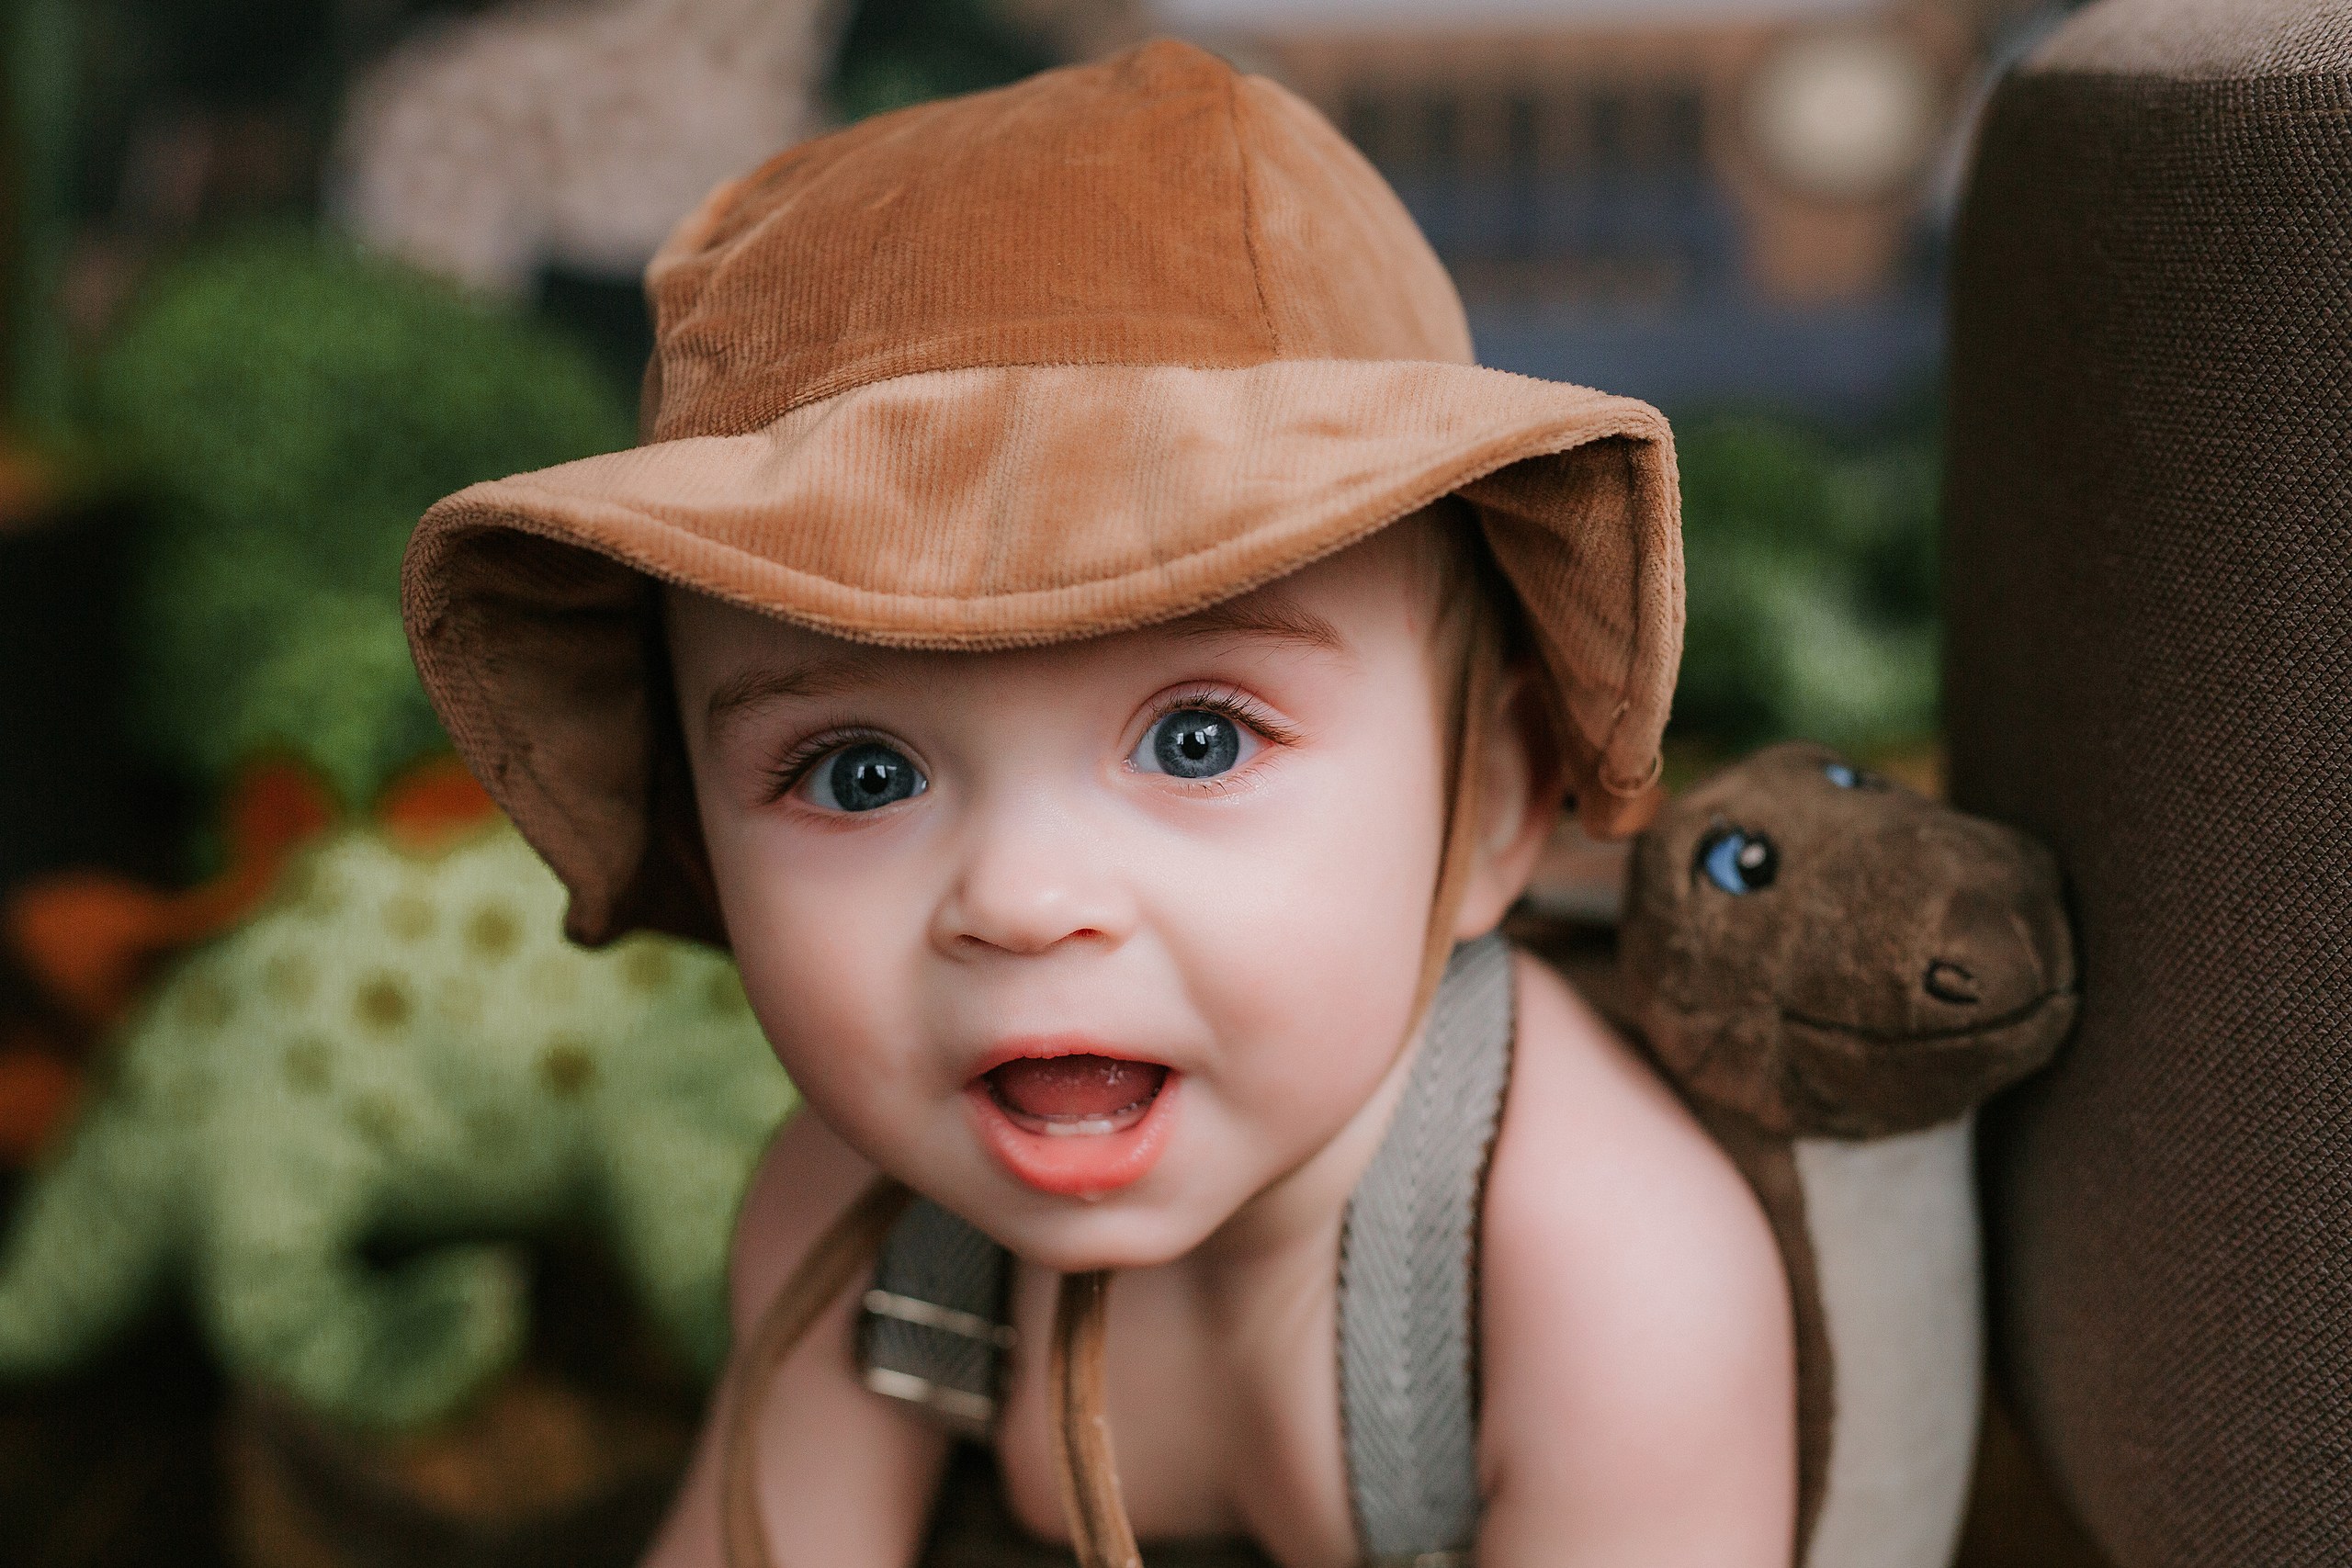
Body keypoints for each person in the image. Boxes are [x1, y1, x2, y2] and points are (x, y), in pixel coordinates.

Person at [402, 39, 1793, 1568]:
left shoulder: (1604, 1278)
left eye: (1198, 741)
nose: (1018, 897)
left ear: (1492, 807)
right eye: (863, 774)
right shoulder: (850, 1217)